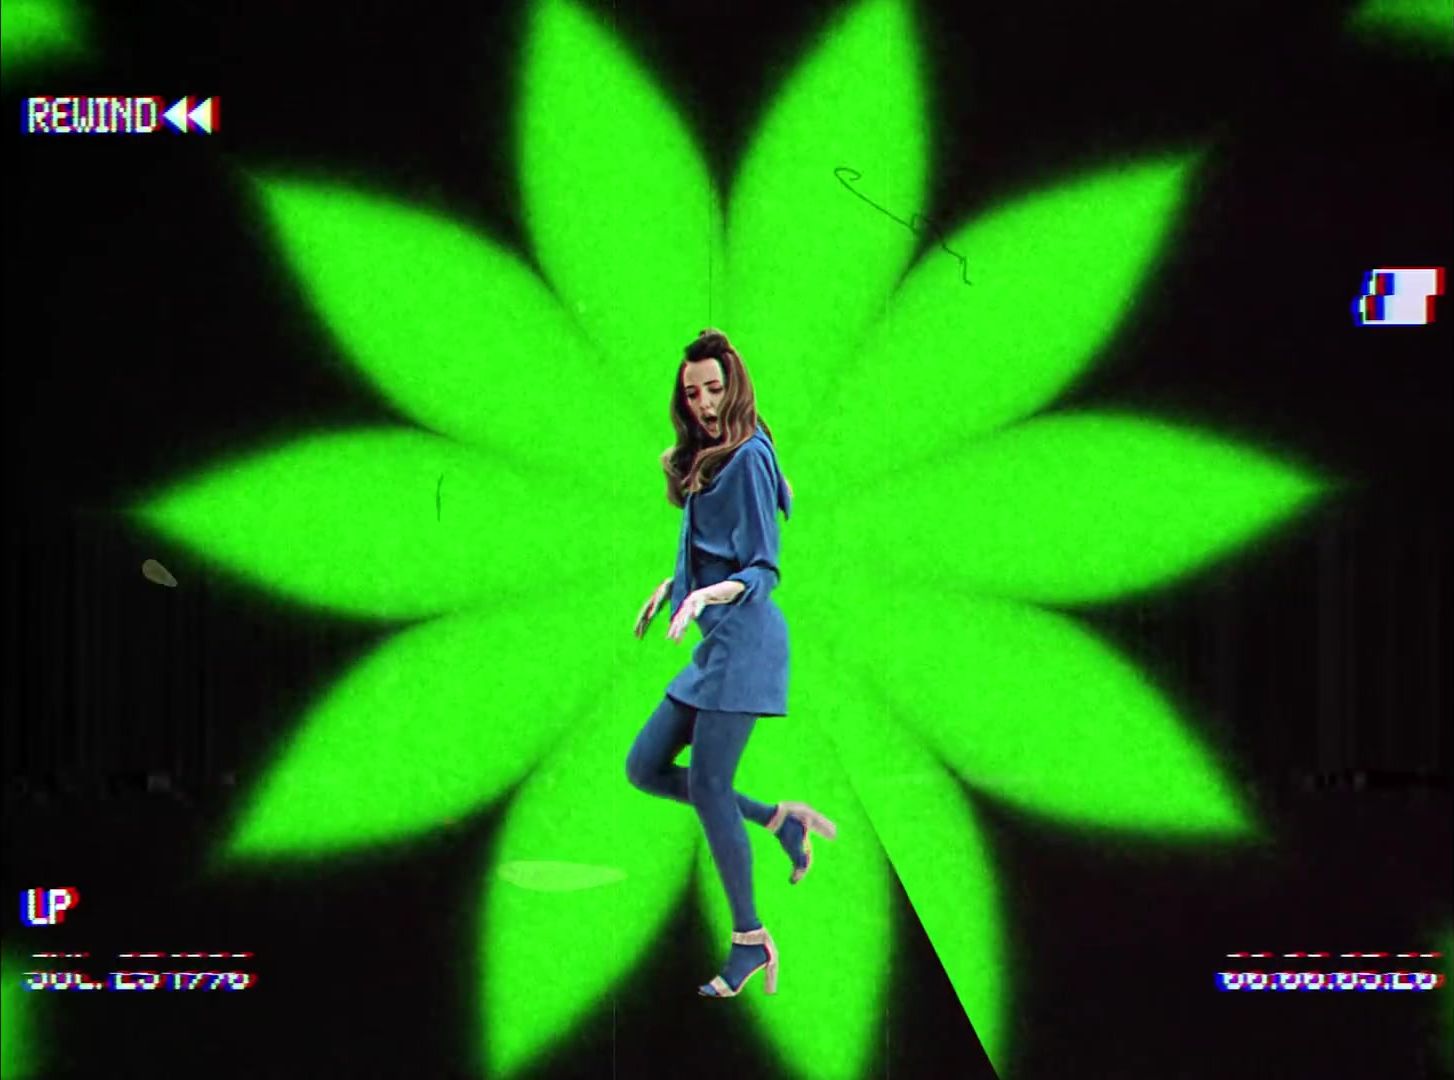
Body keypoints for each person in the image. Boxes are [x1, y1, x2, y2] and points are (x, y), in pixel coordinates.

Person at [625, 328, 837, 999]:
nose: (704, 404)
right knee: (645, 766)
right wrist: (673, 588)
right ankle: (780, 820)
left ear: (734, 386)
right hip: (714, 644)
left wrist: (705, 596)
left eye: (714, 389)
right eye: (692, 394)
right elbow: (709, 551)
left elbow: (761, 568)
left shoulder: (746, 460)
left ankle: (750, 940)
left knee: (710, 786)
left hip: (746, 644)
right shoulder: (707, 459)